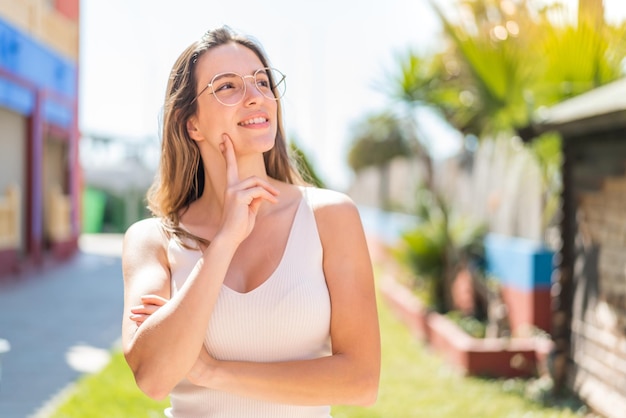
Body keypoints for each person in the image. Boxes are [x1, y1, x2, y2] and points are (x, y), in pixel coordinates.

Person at [121, 25, 380, 418]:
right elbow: (154, 378)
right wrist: (224, 241)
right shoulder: (152, 240)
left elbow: (361, 381)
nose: (256, 96)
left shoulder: (329, 217)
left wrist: (213, 371)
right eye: (227, 86)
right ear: (192, 123)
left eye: (262, 81)